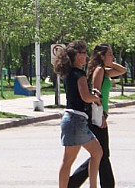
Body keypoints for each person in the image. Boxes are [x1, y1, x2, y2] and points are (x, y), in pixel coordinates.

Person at [68, 44, 127, 188]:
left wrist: (109, 61)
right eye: (110, 54)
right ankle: (104, 184)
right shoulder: (99, 70)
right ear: (101, 56)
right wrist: (100, 117)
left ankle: (73, 182)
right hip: (96, 117)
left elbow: (122, 70)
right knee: (102, 154)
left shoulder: (104, 70)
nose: (113, 57)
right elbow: (96, 94)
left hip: (99, 116)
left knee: (99, 154)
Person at [53, 41, 103, 188]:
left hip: (71, 119)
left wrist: (91, 95)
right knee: (96, 153)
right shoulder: (79, 74)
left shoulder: (69, 73)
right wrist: (96, 98)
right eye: (83, 53)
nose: (86, 56)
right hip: (76, 120)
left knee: (69, 160)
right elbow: (85, 97)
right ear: (76, 55)